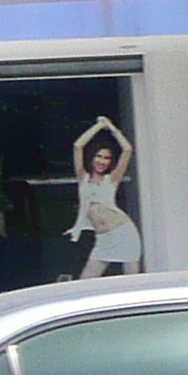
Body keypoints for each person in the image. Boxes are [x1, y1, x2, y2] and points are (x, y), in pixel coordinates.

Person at [68, 118, 141, 279]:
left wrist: (111, 127)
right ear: (92, 158)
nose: (102, 161)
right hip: (103, 239)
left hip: (123, 232)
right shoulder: (83, 177)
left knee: (132, 281)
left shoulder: (112, 179)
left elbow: (127, 149)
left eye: (107, 158)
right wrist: (99, 126)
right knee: (86, 281)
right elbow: (78, 146)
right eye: (99, 156)